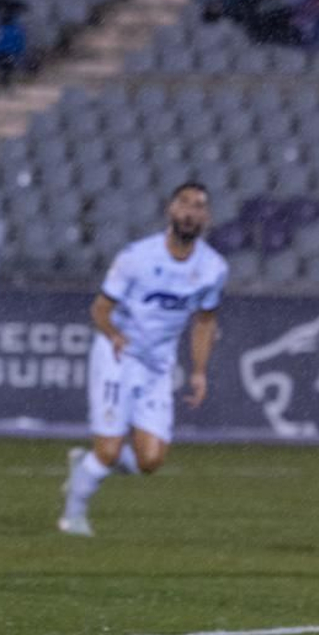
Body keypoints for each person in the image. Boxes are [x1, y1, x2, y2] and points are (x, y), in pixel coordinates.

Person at [59, 183, 227, 537]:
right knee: (109, 450)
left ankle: (85, 464)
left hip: (158, 365)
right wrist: (114, 334)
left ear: (207, 217)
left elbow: (205, 321)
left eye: (198, 206)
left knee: (149, 461)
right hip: (118, 355)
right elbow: (100, 309)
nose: (190, 212)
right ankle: (73, 516)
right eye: (184, 203)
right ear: (170, 209)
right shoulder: (136, 258)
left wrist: (199, 372)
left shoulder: (213, 268)